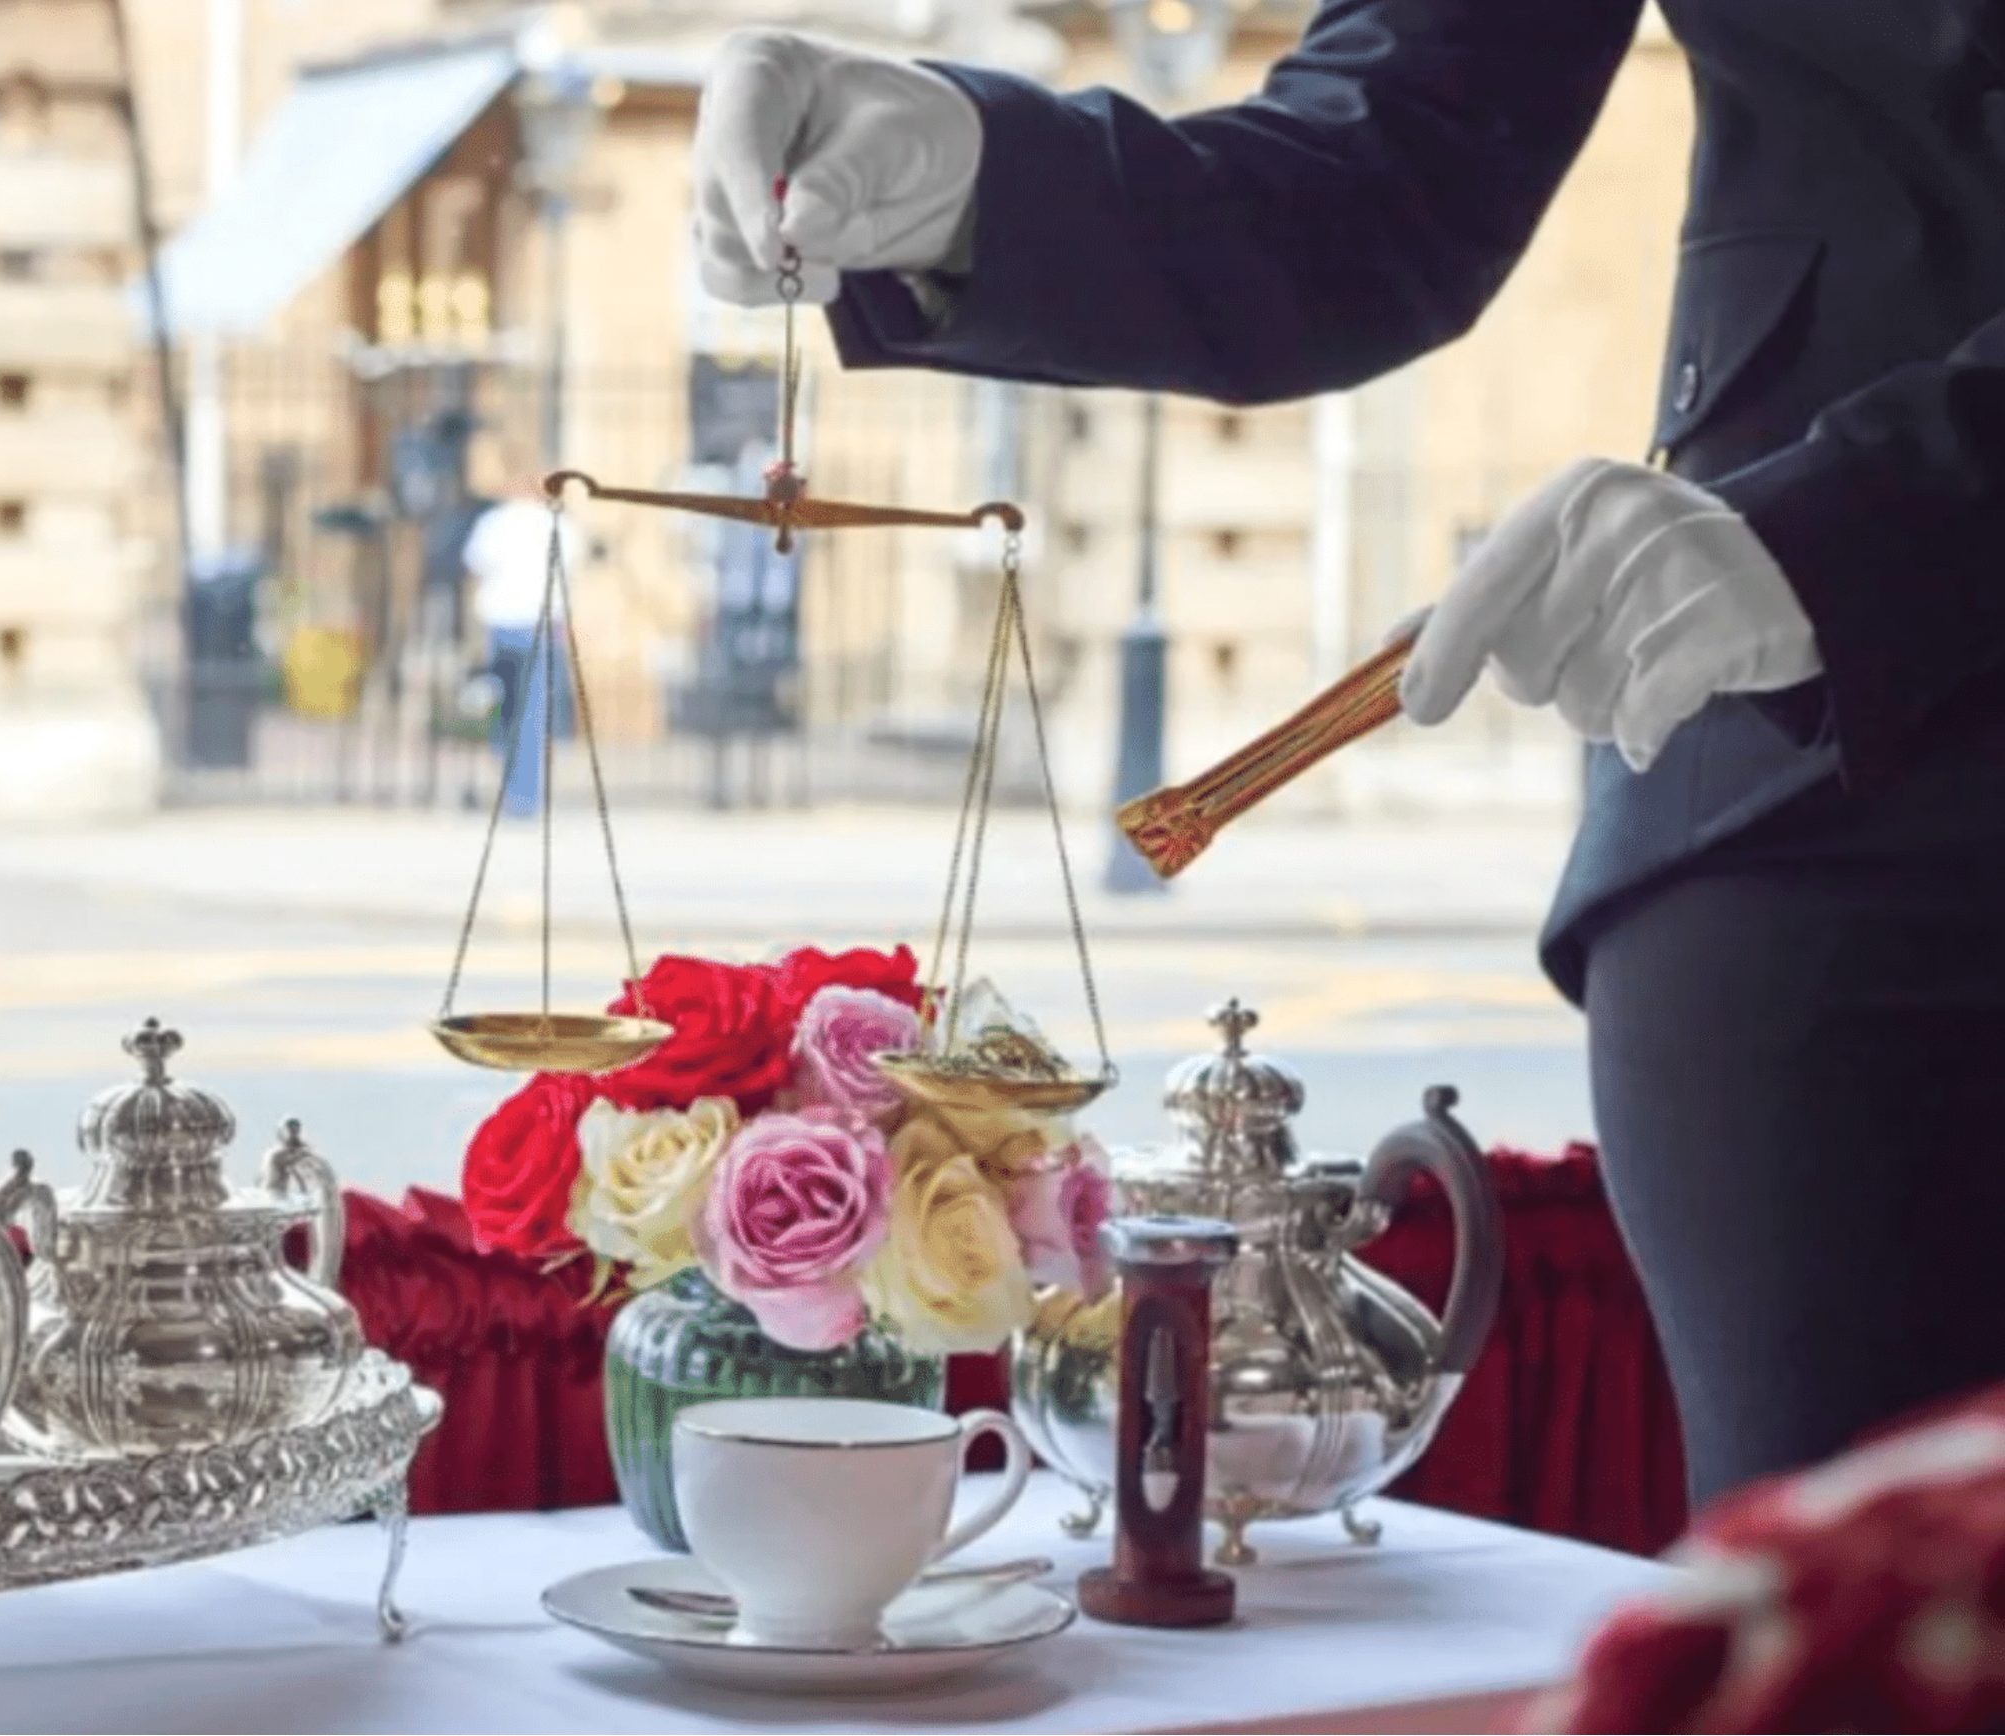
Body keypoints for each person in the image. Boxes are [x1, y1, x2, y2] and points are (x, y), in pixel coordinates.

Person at [690, 13, 2005, 1513]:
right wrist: (979, 181)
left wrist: (1876, 521)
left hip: (1812, 573)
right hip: (1803, 797)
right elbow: (1385, 169)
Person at [462, 491, 579, 820]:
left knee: (507, 705)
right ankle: (524, 795)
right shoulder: (557, 524)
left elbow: (475, 563)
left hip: (502, 621)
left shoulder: (493, 522)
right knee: (532, 709)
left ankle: (516, 785)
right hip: (539, 622)